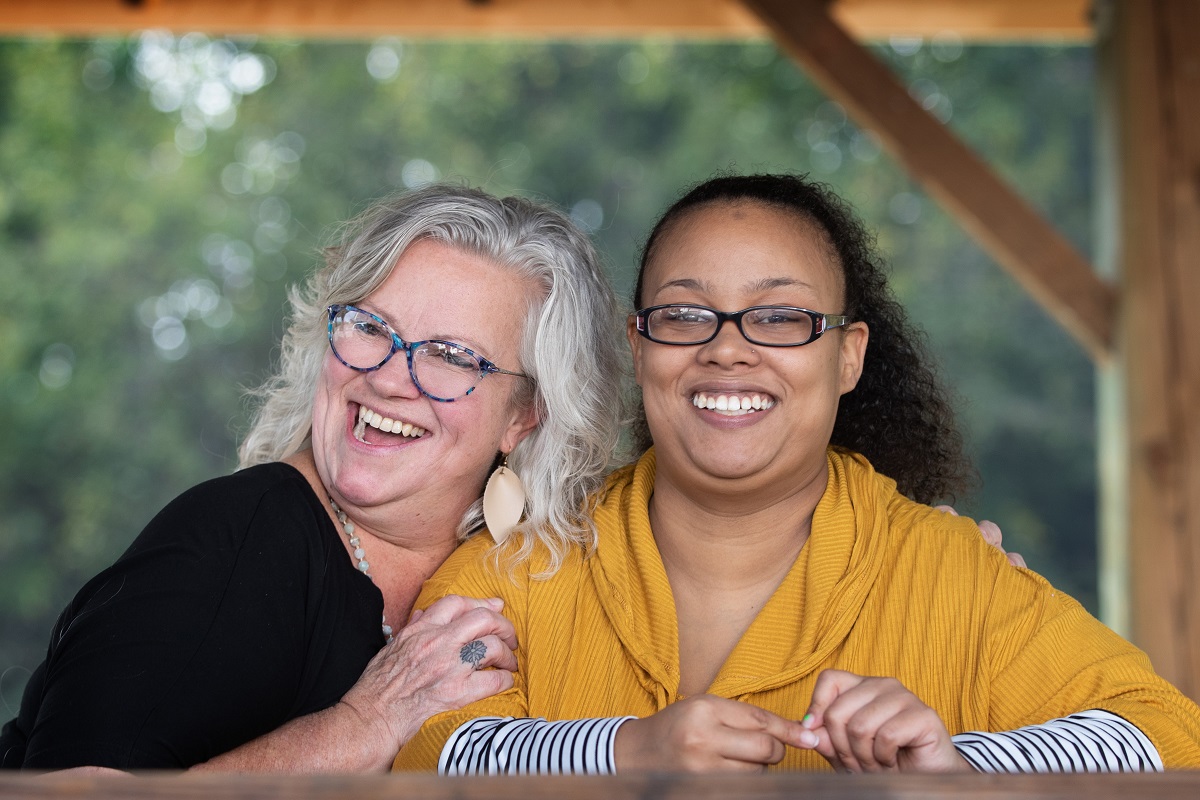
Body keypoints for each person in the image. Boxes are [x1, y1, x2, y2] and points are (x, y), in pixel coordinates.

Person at [393, 173, 1200, 774]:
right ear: (639, 350)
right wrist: (621, 752)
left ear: (846, 357)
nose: (728, 347)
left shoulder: (952, 573)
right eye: (684, 314)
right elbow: (425, 747)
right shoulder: (516, 570)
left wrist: (962, 768)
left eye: (781, 317)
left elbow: (1166, 740)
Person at [0, 183, 625, 770]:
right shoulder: (242, 538)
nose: (386, 377)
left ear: (525, 415)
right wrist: (367, 723)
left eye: (450, 356)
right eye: (372, 327)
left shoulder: (517, 578)